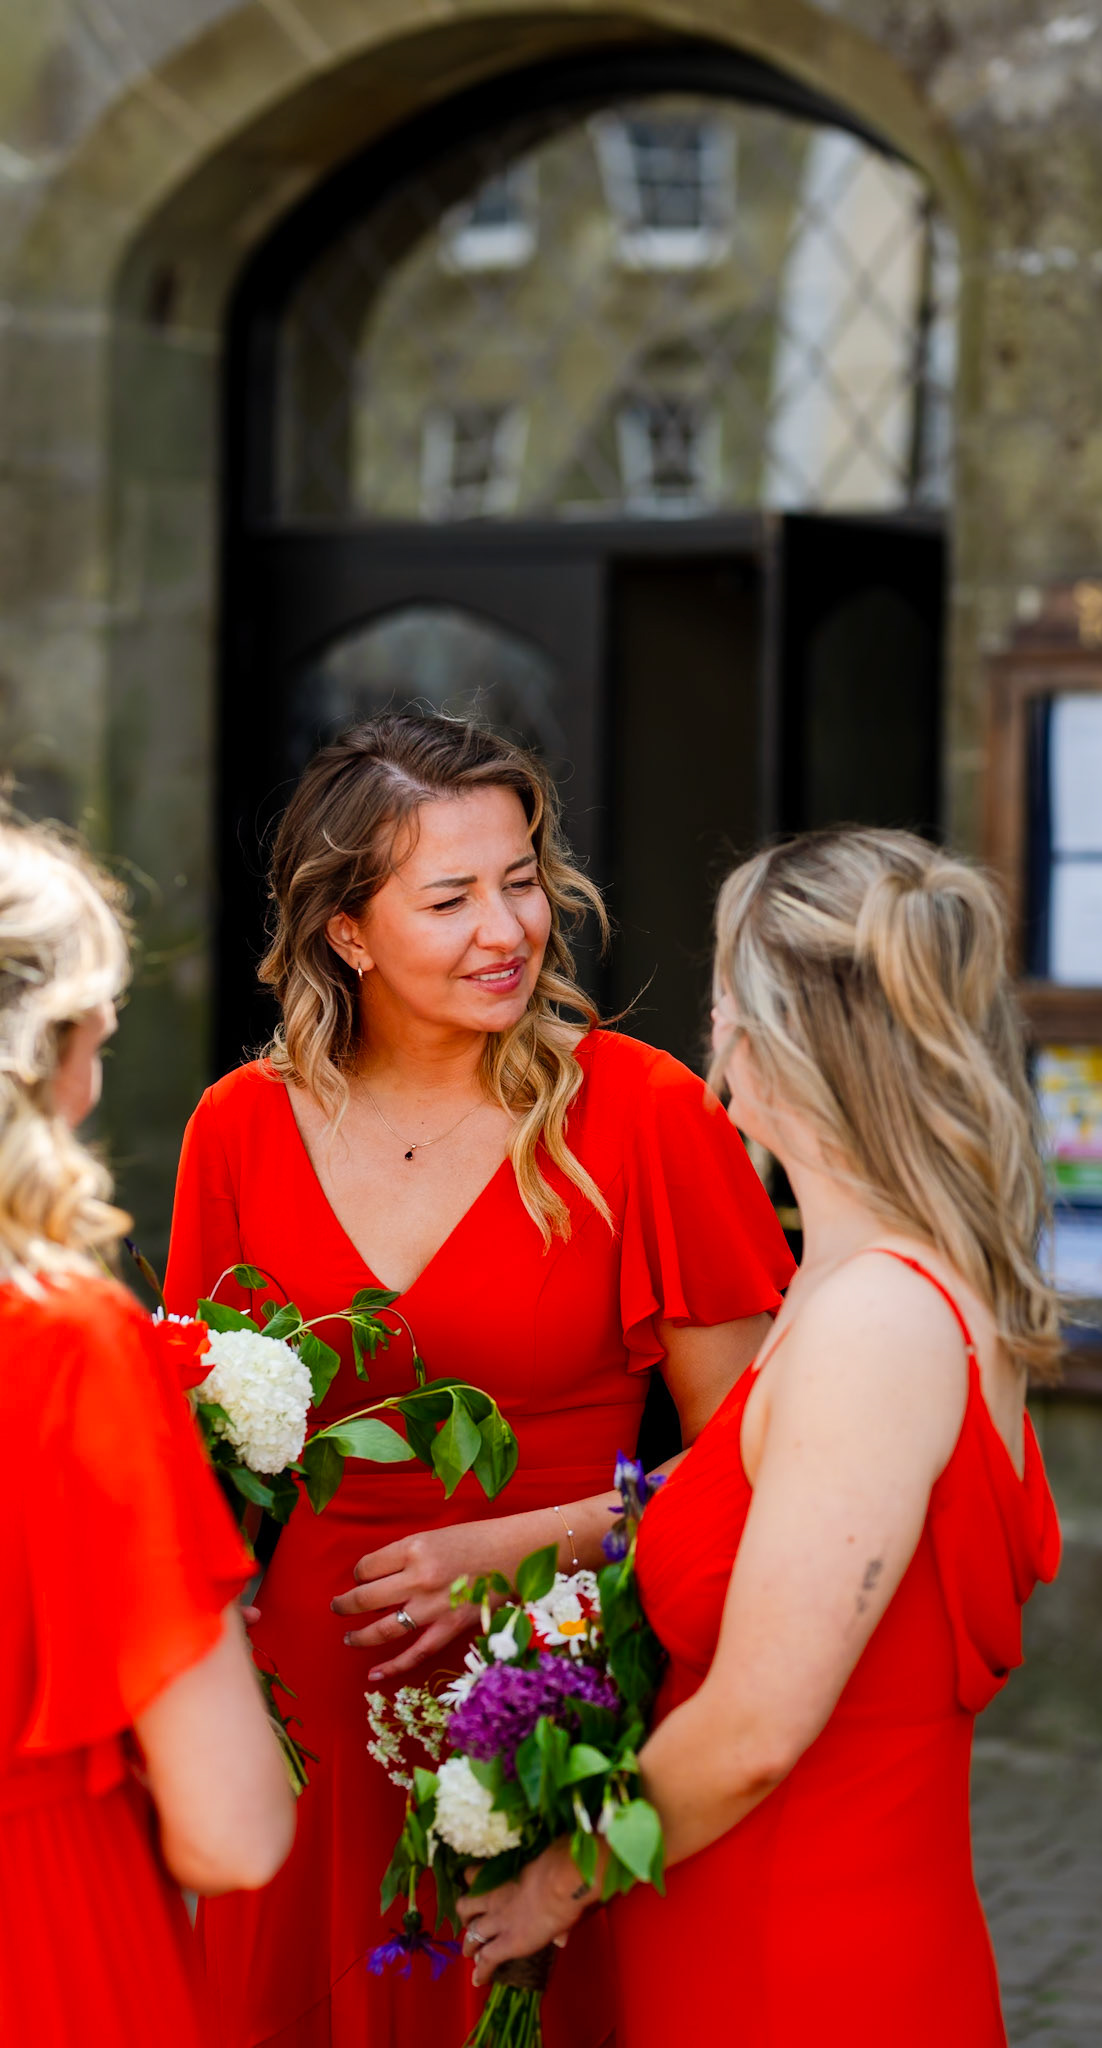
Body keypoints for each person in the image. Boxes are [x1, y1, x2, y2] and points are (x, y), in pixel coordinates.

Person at [165, 712, 794, 2048]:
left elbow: (768, 1467)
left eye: (521, 879)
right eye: (450, 897)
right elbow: (193, 1464)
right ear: (348, 930)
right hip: (309, 1729)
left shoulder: (644, 1114)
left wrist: (526, 1545)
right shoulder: (237, 1126)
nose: (506, 928)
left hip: (553, 1710)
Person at [455, 827, 1064, 2046]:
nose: (713, 1028)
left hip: (801, 1959)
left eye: (723, 996)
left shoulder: (877, 1320)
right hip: (787, 1929)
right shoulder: (873, 1288)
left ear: (770, 1036)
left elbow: (756, 1727)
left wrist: (553, 1884)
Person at [0, 820, 295, 2048]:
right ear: (50, 1050)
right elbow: (234, 1830)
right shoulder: (66, 1341)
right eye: (99, 1027)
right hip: (49, 1943)